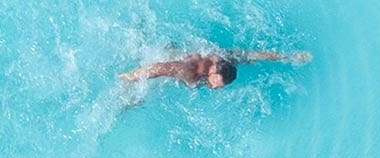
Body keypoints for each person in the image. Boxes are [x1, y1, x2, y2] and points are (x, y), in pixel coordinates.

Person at [119, 49, 310, 89]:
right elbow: (159, 68)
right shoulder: (191, 71)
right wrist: (130, 76)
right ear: (211, 72)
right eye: (214, 83)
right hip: (165, 58)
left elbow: (256, 55)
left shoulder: (226, 60)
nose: (215, 88)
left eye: (219, 86)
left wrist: (289, 57)